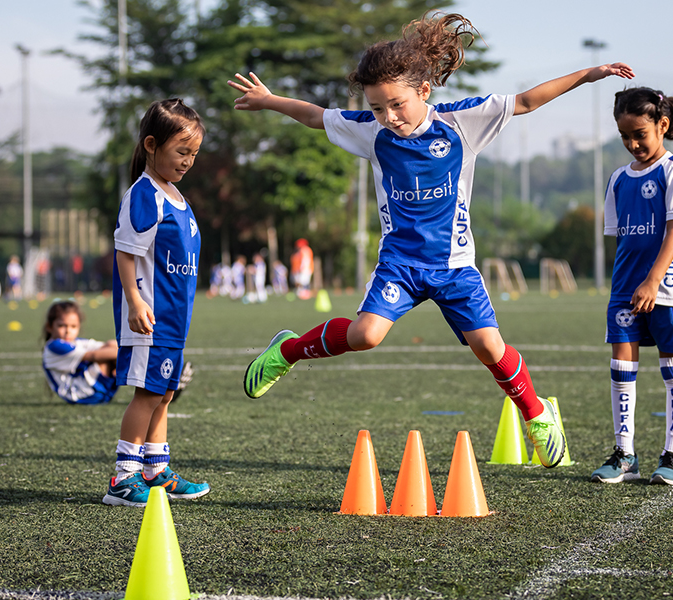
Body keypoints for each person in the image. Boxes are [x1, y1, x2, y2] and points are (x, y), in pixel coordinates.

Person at [228, 12, 634, 468]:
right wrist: (269, 100)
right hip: (400, 264)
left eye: (396, 104)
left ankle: (538, 414)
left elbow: (525, 101)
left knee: (489, 348)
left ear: (423, 91)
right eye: (378, 107)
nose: (388, 116)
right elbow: (315, 117)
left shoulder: (464, 123)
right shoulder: (372, 131)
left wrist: (588, 74)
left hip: (455, 267)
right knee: (365, 335)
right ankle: (287, 350)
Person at [590, 87, 673, 486]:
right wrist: (631, 282)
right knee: (622, 365)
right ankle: (624, 454)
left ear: (663, 125)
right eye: (625, 136)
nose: (633, 143)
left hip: (665, 288)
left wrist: (653, 280)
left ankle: (672, 455)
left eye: (640, 134)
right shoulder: (618, 179)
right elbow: (623, 238)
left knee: (672, 363)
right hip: (625, 289)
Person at [104, 98, 210, 506]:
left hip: (173, 318)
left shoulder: (176, 196)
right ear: (151, 144)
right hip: (148, 317)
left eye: (194, 154)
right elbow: (125, 253)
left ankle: (156, 471)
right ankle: (124, 477)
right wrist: (133, 300)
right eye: (181, 151)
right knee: (147, 394)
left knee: (164, 393)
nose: (188, 161)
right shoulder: (145, 195)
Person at [42, 300, 119, 404]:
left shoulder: (76, 342)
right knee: (107, 356)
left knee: (112, 346)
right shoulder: (55, 346)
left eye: (73, 326)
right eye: (62, 326)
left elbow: (110, 346)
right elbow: (94, 356)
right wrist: (133, 352)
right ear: (49, 327)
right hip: (81, 394)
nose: (68, 331)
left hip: (95, 390)